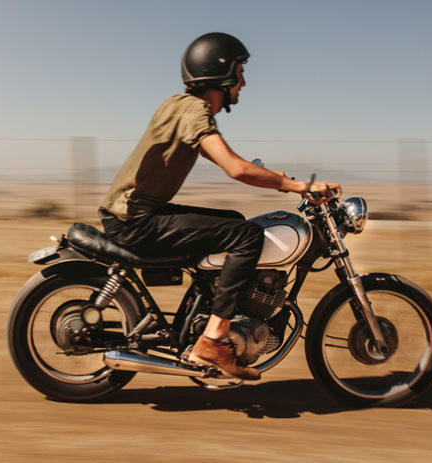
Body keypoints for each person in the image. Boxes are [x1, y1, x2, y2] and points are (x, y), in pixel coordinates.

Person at [98, 32, 341, 380]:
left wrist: (275, 176)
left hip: (131, 214)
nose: (243, 80)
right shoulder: (193, 111)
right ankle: (214, 339)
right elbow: (235, 167)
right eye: (240, 71)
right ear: (221, 72)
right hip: (136, 221)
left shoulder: (179, 107)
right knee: (245, 236)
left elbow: (228, 160)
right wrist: (297, 186)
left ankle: (208, 316)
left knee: (233, 221)